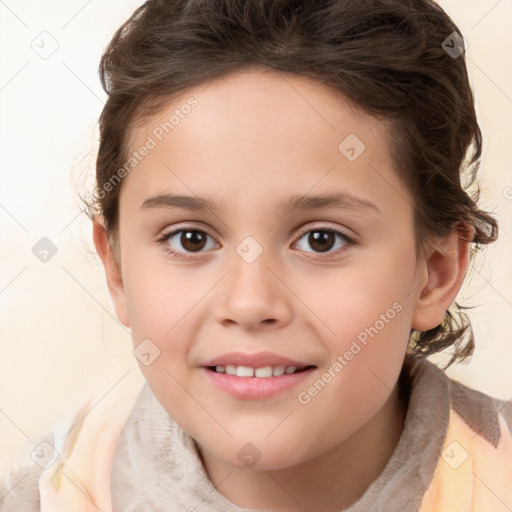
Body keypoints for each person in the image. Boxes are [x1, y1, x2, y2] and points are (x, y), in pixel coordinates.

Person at [2, 0, 511, 510]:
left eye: (321, 240)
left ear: (434, 274)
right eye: (191, 239)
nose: (249, 303)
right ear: (117, 270)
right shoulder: (54, 492)